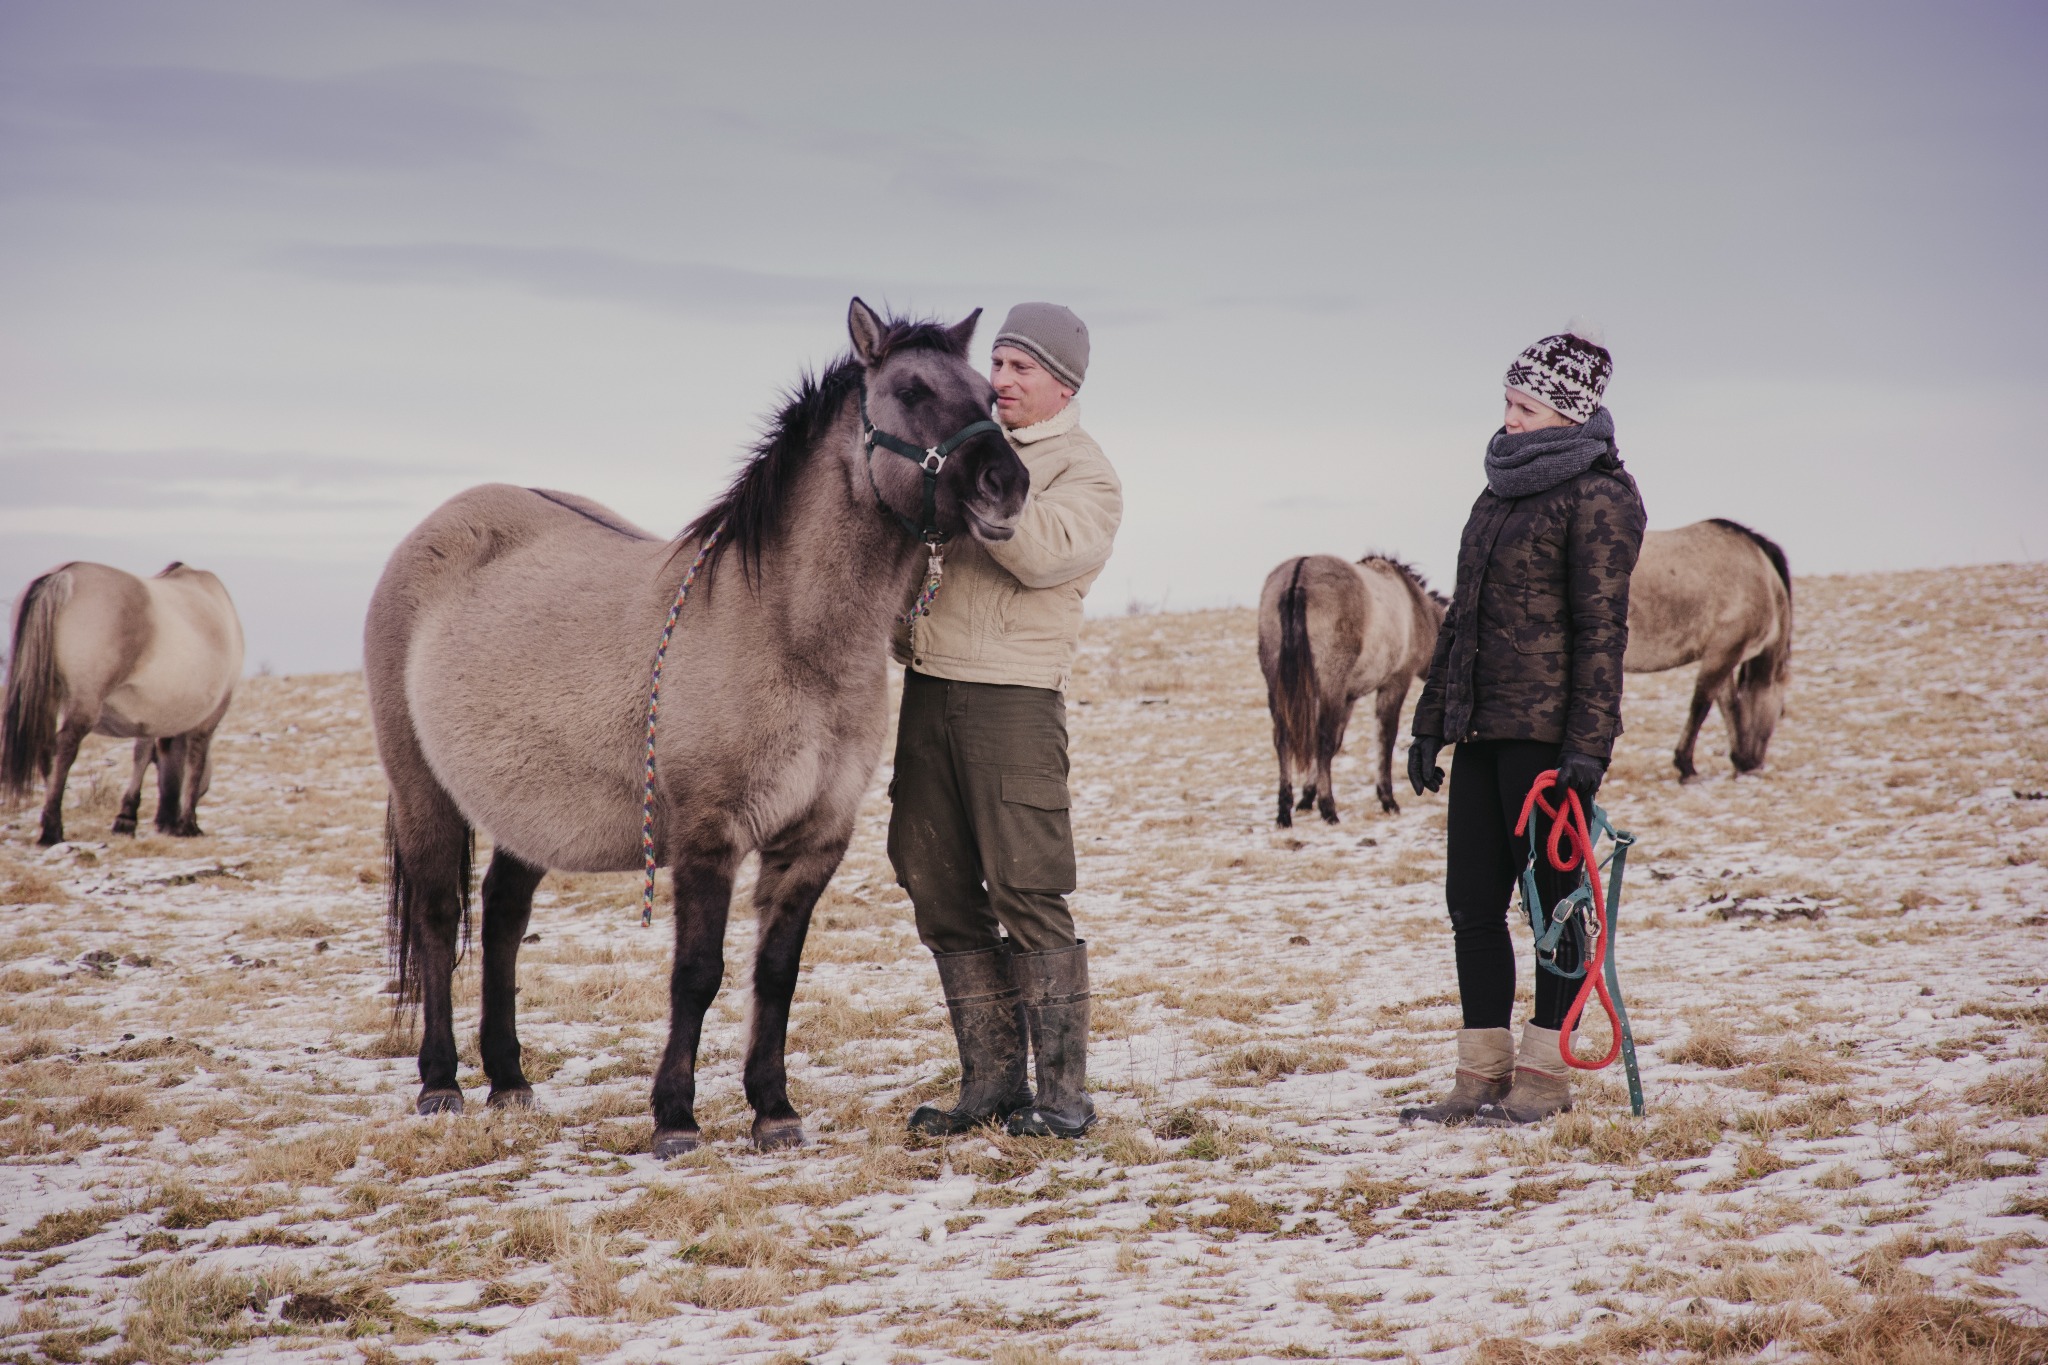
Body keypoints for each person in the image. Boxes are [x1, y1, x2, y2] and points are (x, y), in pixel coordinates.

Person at [1401, 323, 1646, 1126]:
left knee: (1556, 910)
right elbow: (1461, 618)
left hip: (1545, 742)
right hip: (1480, 733)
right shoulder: (1497, 488)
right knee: (1471, 904)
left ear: (1570, 414)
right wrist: (1430, 723)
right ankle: (1479, 1074)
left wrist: (1586, 746)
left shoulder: (1602, 496)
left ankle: (1544, 1075)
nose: (1509, 419)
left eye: (1527, 407)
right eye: (1508, 402)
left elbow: (1602, 631)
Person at [888, 302, 1122, 1139]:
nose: (1003, 379)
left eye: (1022, 368)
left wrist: (984, 479)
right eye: (999, 364)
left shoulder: (1085, 473)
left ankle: (1064, 1096)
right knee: (937, 885)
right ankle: (989, 1085)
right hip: (928, 691)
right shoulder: (959, 447)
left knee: (1027, 887)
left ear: (1064, 384)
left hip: (1013, 702)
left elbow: (1047, 551)